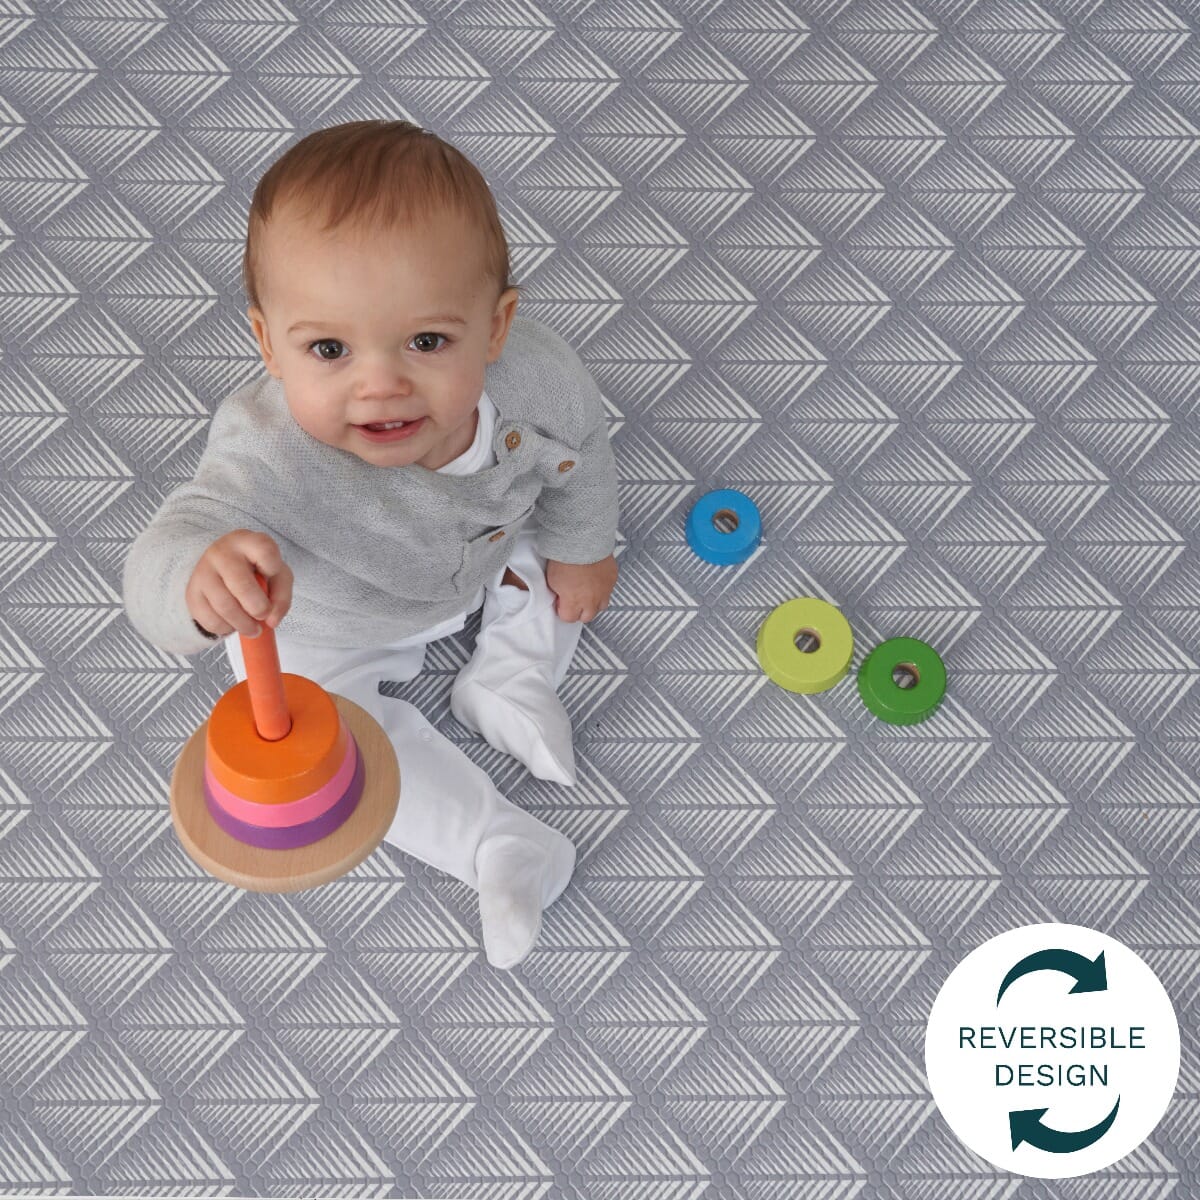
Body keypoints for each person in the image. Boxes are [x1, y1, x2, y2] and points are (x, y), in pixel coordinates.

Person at [121, 120, 620, 969]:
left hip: (483, 556)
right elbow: (163, 551)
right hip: (330, 620)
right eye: (329, 349)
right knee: (324, 751)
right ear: (269, 345)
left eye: (427, 342)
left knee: (564, 571)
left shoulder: (538, 379)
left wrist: (583, 546)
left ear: (496, 328)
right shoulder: (265, 454)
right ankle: (498, 845)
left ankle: (512, 676)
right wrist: (198, 581)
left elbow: (580, 457)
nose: (381, 385)